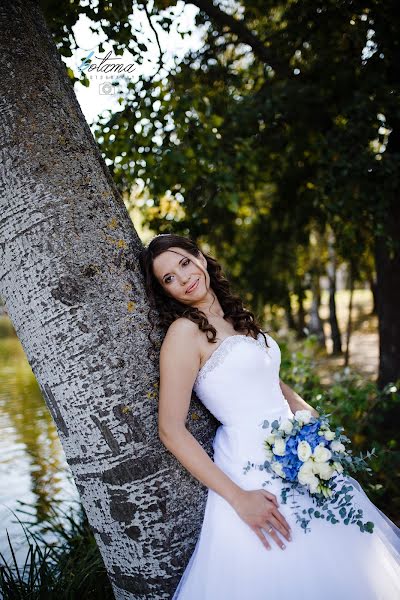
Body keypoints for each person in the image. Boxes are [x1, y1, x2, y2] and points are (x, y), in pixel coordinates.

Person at [139, 233, 400, 599]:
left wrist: (314, 425)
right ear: (164, 291)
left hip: (301, 455)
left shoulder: (234, 316)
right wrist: (239, 497)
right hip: (251, 469)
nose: (183, 278)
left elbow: (272, 383)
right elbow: (170, 430)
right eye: (169, 278)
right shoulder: (184, 334)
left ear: (200, 256)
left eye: (184, 262)